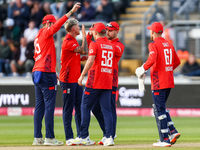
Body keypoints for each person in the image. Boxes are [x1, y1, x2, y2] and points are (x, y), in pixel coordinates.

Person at [31, 2, 81, 146]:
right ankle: (49, 138)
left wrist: (54, 71)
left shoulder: (38, 36)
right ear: (47, 24)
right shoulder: (46, 32)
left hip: (38, 72)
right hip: (46, 74)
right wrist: (70, 12)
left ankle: (37, 138)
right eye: (52, 24)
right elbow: (57, 25)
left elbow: (43, 56)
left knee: (39, 106)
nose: (54, 28)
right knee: (49, 106)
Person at [69, 22, 120, 146]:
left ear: (96, 32)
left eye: (92, 31)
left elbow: (90, 60)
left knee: (85, 106)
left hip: (95, 80)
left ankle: (83, 135)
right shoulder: (110, 45)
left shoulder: (95, 44)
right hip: (107, 81)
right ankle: (109, 137)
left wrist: (81, 76)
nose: (91, 32)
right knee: (107, 109)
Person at [135, 22, 181, 147]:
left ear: (154, 32)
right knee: (160, 107)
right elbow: (177, 62)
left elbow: (152, 58)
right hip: (168, 81)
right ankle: (172, 131)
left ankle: (165, 140)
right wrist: (167, 69)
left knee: (159, 109)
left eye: (150, 30)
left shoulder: (153, 44)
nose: (150, 32)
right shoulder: (169, 45)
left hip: (158, 81)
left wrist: (143, 68)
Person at [88, 21, 125, 145]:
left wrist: (99, 36)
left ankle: (111, 135)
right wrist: (89, 35)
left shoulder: (119, 45)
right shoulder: (104, 42)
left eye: (111, 30)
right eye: (107, 30)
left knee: (110, 108)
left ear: (116, 31)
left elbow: (103, 46)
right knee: (95, 108)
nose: (108, 32)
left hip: (111, 80)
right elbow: (92, 47)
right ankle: (107, 132)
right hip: (101, 79)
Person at [59, 18, 88, 145]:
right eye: (77, 26)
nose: (79, 28)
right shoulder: (68, 41)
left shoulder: (73, 41)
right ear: (73, 29)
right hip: (68, 80)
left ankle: (81, 135)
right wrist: (85, 36)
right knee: (68, 109)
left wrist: (85, 57)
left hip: (76, 80)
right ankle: (69, 137)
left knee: (79, 108)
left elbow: (79, 55)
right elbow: (83, 50)